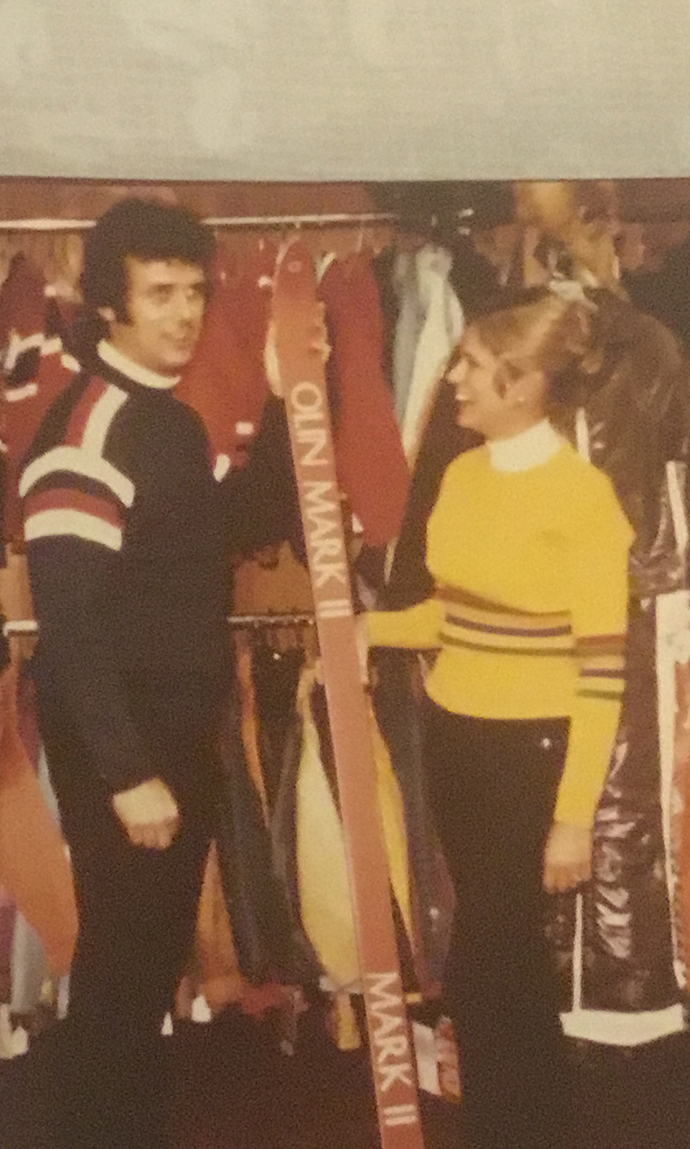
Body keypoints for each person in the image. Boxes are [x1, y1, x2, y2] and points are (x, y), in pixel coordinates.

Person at [0, 196, 316, 1149]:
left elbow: (241, 528)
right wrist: (129, 772)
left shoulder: (167, 422)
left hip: (179, 736)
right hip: (125, 748)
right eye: (160, 294)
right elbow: (74, 623)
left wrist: (282, 396)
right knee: (119, 978)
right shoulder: (86, 432)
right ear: (108, 305)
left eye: (195, 292)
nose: (184, 313)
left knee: (140, 977)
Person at [361, 287, 634, 1149]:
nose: (454, 379)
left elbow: (601, 673)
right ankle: (530, 1123)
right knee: (504, 962)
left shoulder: (584, 499)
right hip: (455, 735)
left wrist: (573, 819)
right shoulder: (460, 473)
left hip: (532, 751)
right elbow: (454, 615)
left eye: (473, 365)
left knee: (482, 964)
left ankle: (519, 1124)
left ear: (520, 385)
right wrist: (366, 626)